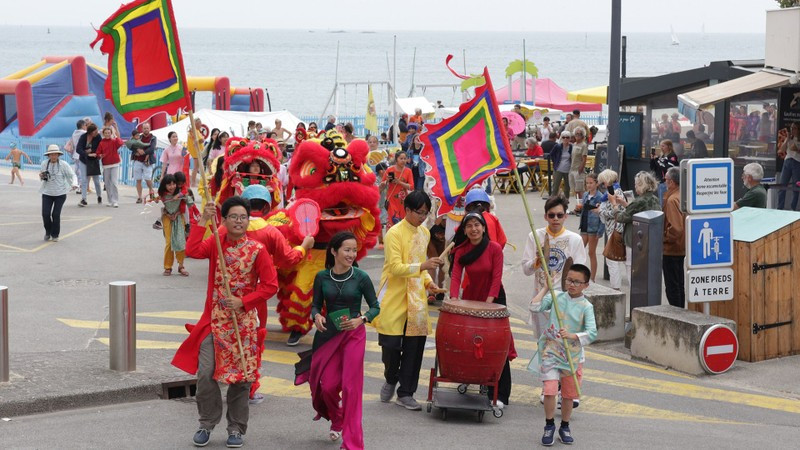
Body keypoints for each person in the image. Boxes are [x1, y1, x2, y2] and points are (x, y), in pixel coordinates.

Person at [172, 196, 279, 448]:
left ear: (247, 221)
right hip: (214, 323)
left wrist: (244, 301)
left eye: (243, 217)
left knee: (242, 378)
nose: (238, 221)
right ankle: (206, 423)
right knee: (206, 373)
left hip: (243, 324)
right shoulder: (216, 244)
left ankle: (236, 428)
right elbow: (192, 249)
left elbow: (270, 285)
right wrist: (202, 219)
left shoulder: (257, 250)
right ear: (225, 220)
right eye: (233, 217)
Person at [298, 232, 380, 450]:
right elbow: (315, 305)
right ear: (334, 251)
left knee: (351, 388)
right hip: (329, 335)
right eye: (347, 249)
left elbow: (375, 307)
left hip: (353, 335)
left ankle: (352, 443)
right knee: (327, 387)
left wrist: (361, 320)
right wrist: (316, 316)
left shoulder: (361, 277)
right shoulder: (322, 277)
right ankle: (337, 418)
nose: (351, 254)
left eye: (354, 250)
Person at [375, 190, 443, 411]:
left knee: (415, 348)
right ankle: (391, 377)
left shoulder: (424, 233)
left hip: (416, 298)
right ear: (407, 210)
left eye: (425, 213)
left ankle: (406, 393)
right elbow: (395, 267)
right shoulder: (394, 233)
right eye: (418, 212)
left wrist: (429, 282)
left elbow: (420, 264)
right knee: (390, 345)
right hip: (394, 296)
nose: (422, 217)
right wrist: (423, 268)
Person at [449, 213, 513, 408]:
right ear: (464, 230)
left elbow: (496, 277)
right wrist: (453, 301)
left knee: (498, 345)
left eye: (477, 225)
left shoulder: (494, 249)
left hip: (494, 299)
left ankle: (501, 393)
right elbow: (455, 277)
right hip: (472, 297)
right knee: (473, 341)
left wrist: (488, 304)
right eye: (469, 226)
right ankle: (478, 381)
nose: (473, 229)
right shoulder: (461, 250)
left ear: (484, 228)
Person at [529, 264, 597, 447]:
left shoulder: (586, 307)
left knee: (568, 395)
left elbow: (592, 333)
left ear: (586, 285)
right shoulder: (556, 296)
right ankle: (549, 425)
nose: (572, 284)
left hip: (572, 356)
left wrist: (574, 336)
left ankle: (565, 426)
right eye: (569, 280)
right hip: (551, 351)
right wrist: (545, 287)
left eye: (576, 281)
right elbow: (535, 306)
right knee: (550, 389)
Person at [522, 195, 587, 294]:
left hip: (564, 298)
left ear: (566, 216)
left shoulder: (575, 239)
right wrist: (537, 260)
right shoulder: (534, 236)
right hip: (540, 297)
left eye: (560, 215)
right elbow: (526, 271)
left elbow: (580, 274)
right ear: (545, 217)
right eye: (551, 215)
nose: (555, 219)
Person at [612, 171, 661, 282]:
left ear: (641, 185)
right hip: (650, 239)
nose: (634, 186)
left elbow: (621, 218)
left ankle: (635, 294)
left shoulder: (639, 201)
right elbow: (638, 211)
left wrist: (615, 205)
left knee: (631, 268)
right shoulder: (654, 199)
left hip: (634, 239)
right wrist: (625, 204)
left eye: (636, 184)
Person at [39, 145, 77, 242]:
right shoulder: (44, 164)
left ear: (58, 155)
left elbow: (72, 174)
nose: (53, 156)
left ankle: (55, 235)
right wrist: (42, 176)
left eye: (55, 154)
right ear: (48, 155)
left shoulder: (63, 164)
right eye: (51, 154)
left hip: (60, 194)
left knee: (56, 214)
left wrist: (74, 184)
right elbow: (43, 176)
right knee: (45, 214)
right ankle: (48, 231)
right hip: (47, 192)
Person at [597, 169, 626, 290]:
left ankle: (615, 288)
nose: (602, 184)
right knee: (621, 260)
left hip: (614, 229)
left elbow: (616, 212)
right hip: (619, 229)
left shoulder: (612, 192)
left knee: (612, 260)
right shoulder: (618, 190)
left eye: (603, 181)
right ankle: (616, 287)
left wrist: (600, 211)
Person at [157, 174, 191, 276]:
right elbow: (159, 208)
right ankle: (168, 267)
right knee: (169, 242)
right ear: (164, 186)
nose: (172, 187)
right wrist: (168, 214)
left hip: (179, 217)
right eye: (169, 185)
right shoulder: (162, 196)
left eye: (173, 184)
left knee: (180, 241)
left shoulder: (181, 193)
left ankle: (181, 266)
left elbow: (189, 204)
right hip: (167, 218)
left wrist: (176, 214)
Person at [660, 167, 686, 308]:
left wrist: (663, 238)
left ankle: (677, 315)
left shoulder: (672, 200)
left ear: (671, 182)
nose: (665, 183)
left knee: (672, 286)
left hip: (672, 249)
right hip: (681, 247)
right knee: (679, 285)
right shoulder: (683, 195)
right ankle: (681, 312)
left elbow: (676, 228)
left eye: (666, 180)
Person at [578, 174, 604, 282]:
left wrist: (600, 231)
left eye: (591, 183)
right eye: (587, 183)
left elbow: (602, 215)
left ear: (596, 183)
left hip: (593, 227)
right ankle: (578, 275)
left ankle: (592, 278)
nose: (588, 185)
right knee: (579, 250)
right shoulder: (585, 195)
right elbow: (583, 209)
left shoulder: (600, 196)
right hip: (584, 224)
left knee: (591, 252)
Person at [380, 151, 413, 227]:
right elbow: (382, 185)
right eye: (401, 158)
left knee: (403, 220)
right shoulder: (389, 170)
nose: (403, 160)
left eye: (405, 158)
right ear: (396, 159)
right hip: (391, 199)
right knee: (393, 220)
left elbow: (411, 187)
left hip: (403, 200)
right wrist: (387, 181)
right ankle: (392, 237)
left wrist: (399, 182)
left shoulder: (408, 171)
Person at [95, 126, 124, 208]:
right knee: (107, 183)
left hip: (115, 164)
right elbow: (98, 153)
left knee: (114, 183)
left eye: (109, 133)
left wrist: (115, 134)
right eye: (106, 133)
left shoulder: (114, 141)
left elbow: (121, 143)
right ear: (103, 134)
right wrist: (100, 155)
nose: (107, 134)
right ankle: (110, 200)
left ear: (111, 133)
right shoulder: (101, 143)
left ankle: (115, 201)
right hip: (106, 165)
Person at [129, 122, 157, 204]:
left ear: (150, 128)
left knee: (148, 179)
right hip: (138, 160)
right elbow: (132, 145)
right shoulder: (138, 137)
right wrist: (137, 150)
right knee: (138, 179)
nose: (146, 130)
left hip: (147, 161)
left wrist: (143, 152)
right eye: (144, 128)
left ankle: (151, 191)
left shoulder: (153, 138)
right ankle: (139, 197)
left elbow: (152, 148)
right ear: (142, 129)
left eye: (147, 128)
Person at [75, 123, 102, 207]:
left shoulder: (98, 137)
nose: (97, 132)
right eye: (95, 131)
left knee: (96, 180)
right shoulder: (83, 137)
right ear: (90, 132)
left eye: (97, 131)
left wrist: (92, 151)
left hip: (94, 160)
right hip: (84, 160)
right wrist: (87, 153)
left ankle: (99, 196)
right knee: (84, 179)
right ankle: (84, 199)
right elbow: (78, 149)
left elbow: (100, 147)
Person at [777, 122, 800, 210]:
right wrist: (787, 139)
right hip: (787, 161)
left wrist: (797, 150)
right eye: (791, 128)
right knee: (782, 185)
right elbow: (781, 150)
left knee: (796, 187)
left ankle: (793, 208)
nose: (792, 130)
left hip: (797, 162)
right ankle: (780, 207)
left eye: (794, 128)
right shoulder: (789, 139)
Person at [649, 139, 679, 205]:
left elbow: (669, 168)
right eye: (660, 146)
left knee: (664, 203)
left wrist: (657, 160)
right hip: (660, 182)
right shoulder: (661, 156)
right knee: (661, 202)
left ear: (669, 147)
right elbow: (653, 168)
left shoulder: (672, 156)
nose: (661, 148)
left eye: (663, 146)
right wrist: (652, 160)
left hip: (668, 182)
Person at [549, 131, 573, 204]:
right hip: (558, 168)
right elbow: (551, 154)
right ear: (561, 138)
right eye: (563, 137)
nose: (565, 139)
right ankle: (552, 201)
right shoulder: (558, 146)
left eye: (567, 137)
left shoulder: (572, 147)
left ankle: (566, 201)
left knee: (567, 187)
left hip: (568, 169)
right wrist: (555, 162)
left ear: (570, 138)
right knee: (555, 186)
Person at [569, 128, 589, 210]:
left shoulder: (583, 145)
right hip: (572, 169)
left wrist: (580, 170)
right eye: (576, 134)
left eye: (580, 134)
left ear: (583, 135)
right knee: (575, 190)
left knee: (580, 190)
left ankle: (582, 207)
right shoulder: (574, 144)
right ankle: (578, 206)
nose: (578, 135)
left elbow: (584, 158)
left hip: (578, 170)